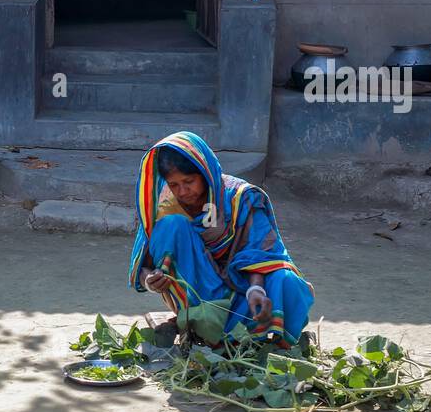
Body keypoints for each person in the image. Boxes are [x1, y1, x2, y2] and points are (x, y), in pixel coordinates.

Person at [128, 131, 314, 347]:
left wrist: (256, 290)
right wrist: (151, 281)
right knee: (172, 226)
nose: (183, 191)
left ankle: (275, 343)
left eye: (189, 181)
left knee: (288, 283)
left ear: (205, 173)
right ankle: (201, 324)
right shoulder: (164, 208)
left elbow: (261, 253)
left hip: (246, 289)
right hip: (203, 297)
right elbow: (144, 267)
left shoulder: (240, 198)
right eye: (174, 184)